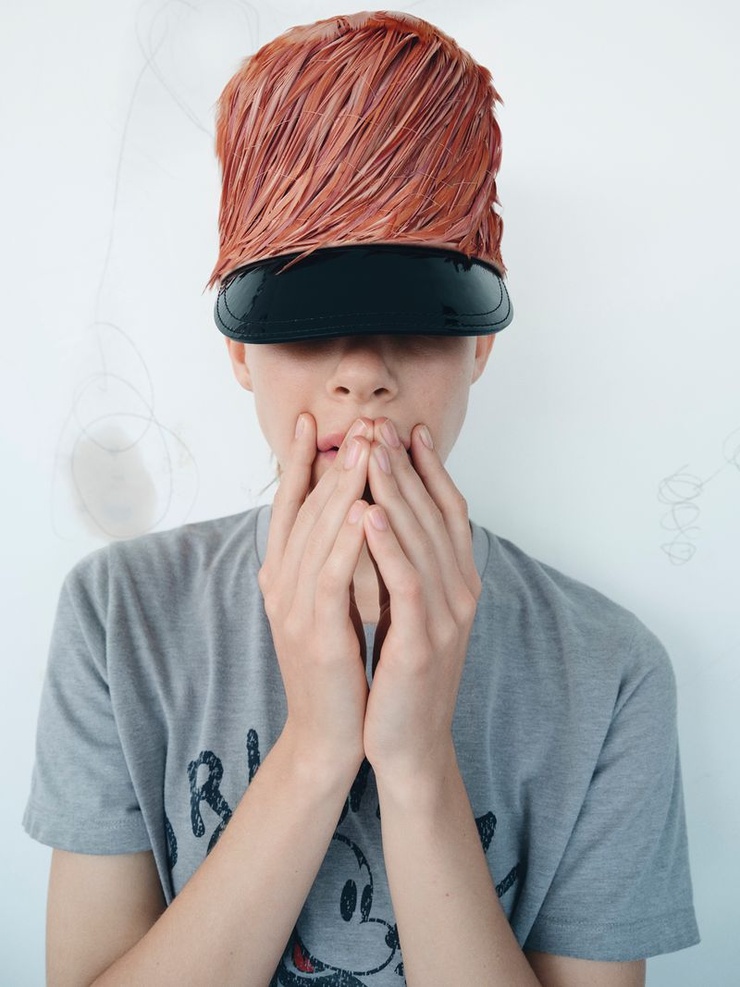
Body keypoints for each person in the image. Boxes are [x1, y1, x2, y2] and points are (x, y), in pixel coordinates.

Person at [24, 11, 699, 986]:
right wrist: (316, 746)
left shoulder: (609, 672)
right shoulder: (118, 617)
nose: (362, 374)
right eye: (306, 316)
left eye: (417, 316)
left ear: (479, 343)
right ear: (239, 351)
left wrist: (418, 763)